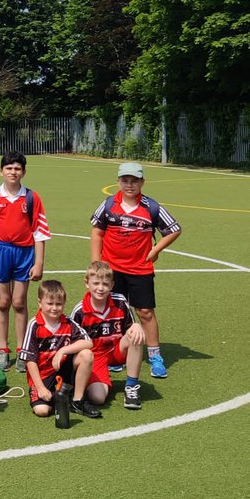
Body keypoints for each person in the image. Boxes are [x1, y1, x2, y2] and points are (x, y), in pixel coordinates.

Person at [90, 161, 181, 379]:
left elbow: (174, 229)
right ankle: (115, 355)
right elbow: (97, 232)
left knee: (145, 312)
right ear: (118, 181)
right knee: (114, 312)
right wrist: (97, 264)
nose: (129, 185)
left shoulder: (151, 207)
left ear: (142, 182)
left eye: (134, 181)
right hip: (112, 271)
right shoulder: (109, 204)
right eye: (125, 180)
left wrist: (155, 250)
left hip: (140, 269)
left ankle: (155, 355)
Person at [0, 151, 50, 373]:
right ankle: (3, 350)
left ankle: (21, 350)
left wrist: (39, 263)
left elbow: (40, 232)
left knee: (19, 302)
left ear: (24, 172)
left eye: (17, 168)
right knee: (2, 302)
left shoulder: (31, 197)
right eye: (8, 168)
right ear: (1, 171)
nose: (13, 172)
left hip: (24, 253)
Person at [70, 261, 145, 411]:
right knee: (98, 398)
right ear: (87, 283)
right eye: (96, 283)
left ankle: (131, 387)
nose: (100, 288)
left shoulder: (120, 301)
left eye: (105, 284)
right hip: (95, 357)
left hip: (116, 351)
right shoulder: (79, 311)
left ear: (111, 285)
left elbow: (130, 328)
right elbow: (72, 345)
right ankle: (86, 381)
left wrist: (136, 326)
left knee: (135, 334)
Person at [21, 280, 99, 420]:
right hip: (43, 375)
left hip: (63, 369)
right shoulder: (34, 325)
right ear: (40, 303)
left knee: (86, 355)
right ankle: (58, 396)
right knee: (42, 410)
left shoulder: (68, 322)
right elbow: (29, 360)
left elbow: (88, 342)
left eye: (59, 304)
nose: (55, 308)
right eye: (50, 304)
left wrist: (62, 351)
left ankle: (77, 400)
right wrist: (40, 388)